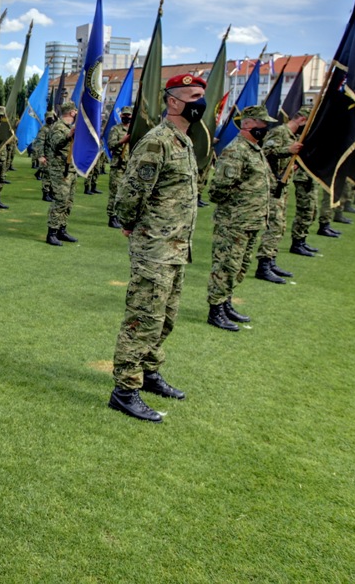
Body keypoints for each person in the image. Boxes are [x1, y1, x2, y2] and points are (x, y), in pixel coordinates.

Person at [108, 74, 205, 422]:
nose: (201, 102)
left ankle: (148, 373)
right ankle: (124, 390)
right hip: (155, 247)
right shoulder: (157, 141)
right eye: (194, 95)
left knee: (164, 319)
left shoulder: (184, 142)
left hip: (176, 248)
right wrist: (130, 223)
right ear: (174, 101)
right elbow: (131, 191)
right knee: (143, 319)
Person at [206, 104, 278, 332]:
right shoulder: (236, 150)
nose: (266, 127)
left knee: (239, 266)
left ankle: (226, 303)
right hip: (234, 222)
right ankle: (215, 309)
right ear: (248, 124)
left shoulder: (255, 149)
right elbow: (219, 188)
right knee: (226, 266)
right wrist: (234, 207)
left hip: (251, 220)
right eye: (262, 123)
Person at [257, 106, 308, 269]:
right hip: (273, 185)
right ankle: (264, 264)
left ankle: (271, 260)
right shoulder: (280, 132)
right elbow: (265, 152)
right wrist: (288, 150)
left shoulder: (292, 135)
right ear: (302, 120)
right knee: (274, 224)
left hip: (283, 183)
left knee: (280, 224)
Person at [41, 102, 79, 246]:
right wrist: (68, 136)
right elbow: (56, 143)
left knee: (68, 201)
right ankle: (51, 232)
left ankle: (61, 230)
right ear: (71, 113)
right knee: (60, 200)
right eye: (75, 111)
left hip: (70, 169)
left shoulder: (68, 127)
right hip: (60, 170)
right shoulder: (58, 127)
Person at [106, 106, 133, 227]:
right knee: (115, 192)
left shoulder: (134, 130)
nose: (126, 117)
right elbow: (111, 144)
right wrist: (123, 140)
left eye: (129, 115)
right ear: (121, 116)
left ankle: (121, 216)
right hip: (118, 165)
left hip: (129, 166)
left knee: (126, 193)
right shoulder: (115, 129)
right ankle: (112, 217)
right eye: (124, 115)